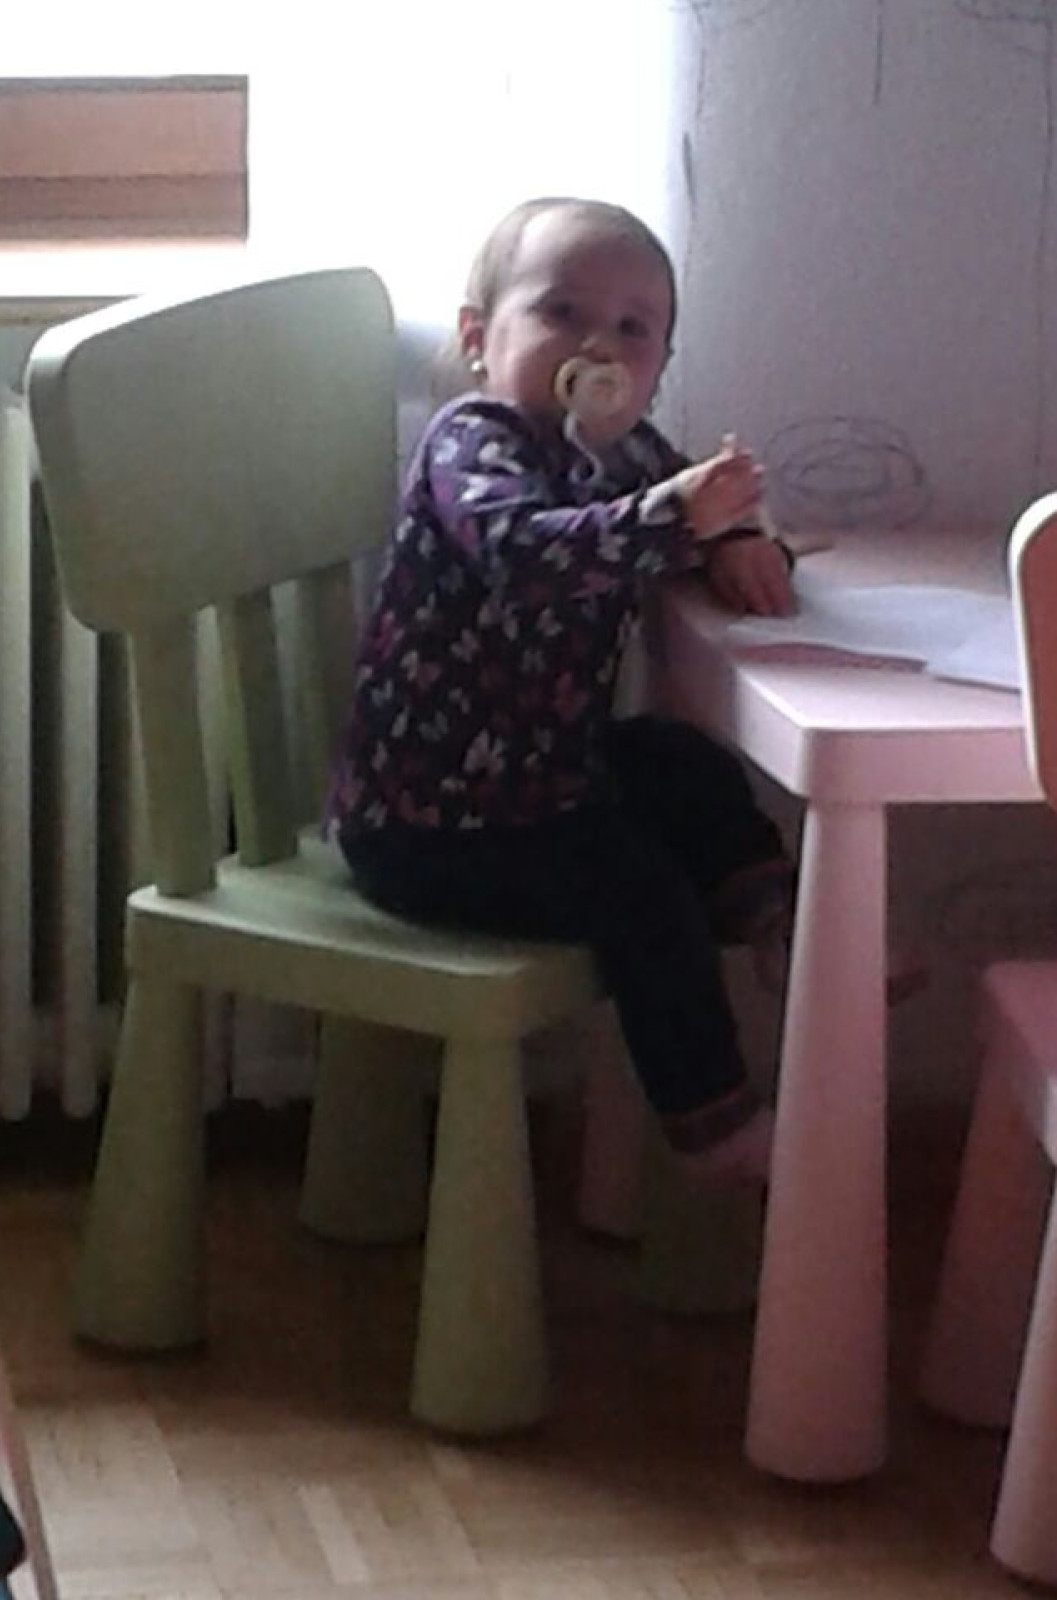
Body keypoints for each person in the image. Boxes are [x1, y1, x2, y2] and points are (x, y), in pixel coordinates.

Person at [328, 196, 797, 1183]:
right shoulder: (475, 442)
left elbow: (687, 512)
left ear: (659, 362)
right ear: (478, 337)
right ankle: (713, 1119)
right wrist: (676, 517)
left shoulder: (625, 452)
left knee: (681, 760)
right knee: (643, 892)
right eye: (561, 314)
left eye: (633, 328)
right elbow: (525, 553)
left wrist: (739, 541)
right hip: (431, 823)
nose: (598, 346)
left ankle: (774, 914)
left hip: (546, 779)